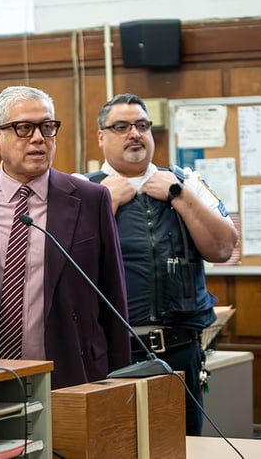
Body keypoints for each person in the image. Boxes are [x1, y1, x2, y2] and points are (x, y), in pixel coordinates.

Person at [84, 93, 239, 436]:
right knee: (114, 447)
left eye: (141, 125)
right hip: (112, 355)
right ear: (101, 136)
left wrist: (180, 196)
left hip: (180, 353)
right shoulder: (81, 190)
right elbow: (66, 266)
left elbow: (224, 247)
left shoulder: (187, 182)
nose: (134, 134)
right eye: (121, 127)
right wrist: (104, 204)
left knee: (182, 447)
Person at [0, 85, 131, 390]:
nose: (39, 138)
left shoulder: (91, 199)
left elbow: (113, 296)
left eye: (47, 127)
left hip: (74, 373)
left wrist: (119, 381)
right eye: (24, 128)